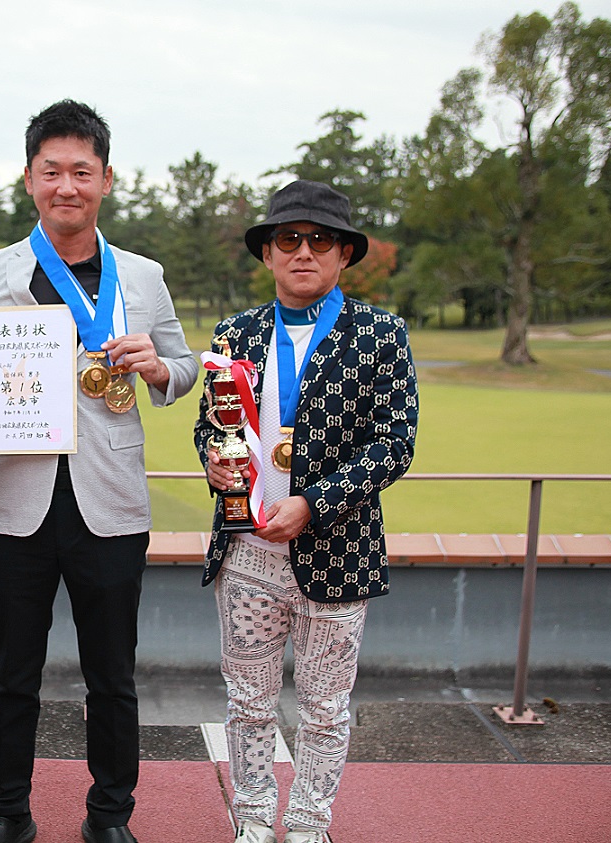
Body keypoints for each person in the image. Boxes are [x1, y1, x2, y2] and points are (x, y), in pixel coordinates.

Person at [0, 100, 199, 843]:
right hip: (14, 497)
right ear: (29, 179)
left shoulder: (143, 276)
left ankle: (110, 816)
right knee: (12, 673)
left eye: (81, 172)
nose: (67, 186)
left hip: (110, 501)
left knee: (113, 677)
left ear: (106, 180)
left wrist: (159, 368)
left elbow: (184, 366)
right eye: (51, 170)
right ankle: (6, 813)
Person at [193, 180, 418, 843]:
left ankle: (309, 823)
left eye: (320, 240)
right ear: (267, 252)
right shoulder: (235, 333)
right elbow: (211, 426)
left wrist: (313, 504)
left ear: (344, 254)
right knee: (248, 702)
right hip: (247, 552)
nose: (303, 252)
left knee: (324, 707)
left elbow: (394, 445)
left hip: (337, 551)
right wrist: (213, 461)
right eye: (288, 239)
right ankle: (254, 817)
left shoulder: (379, 334)